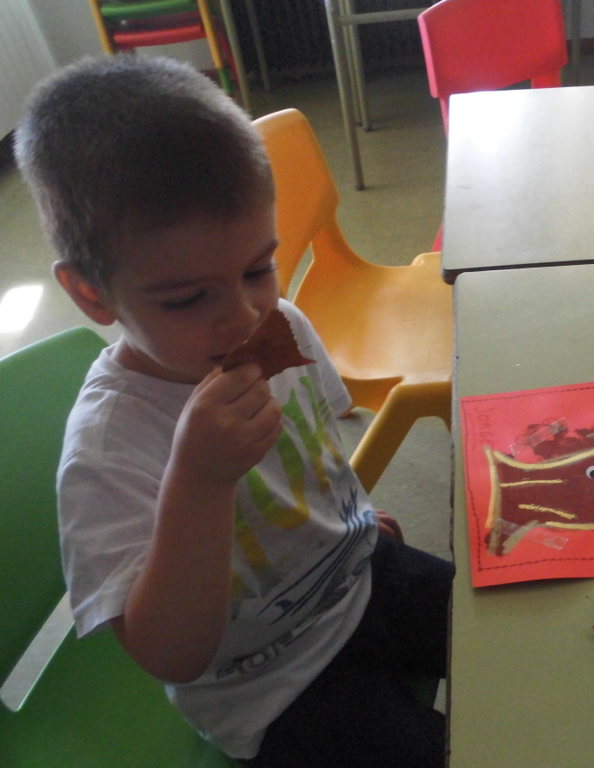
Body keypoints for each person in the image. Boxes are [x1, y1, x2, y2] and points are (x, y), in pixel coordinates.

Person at [14, 55, 453, 767]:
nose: (245, 315)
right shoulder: (109, 449)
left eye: (257, 268)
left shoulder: (284, 324)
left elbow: (318, 458)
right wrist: (198, 482)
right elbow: (170, 655)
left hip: (362, 575)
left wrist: (351, 520)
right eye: (188, 298)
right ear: (93, 294)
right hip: (271, 689)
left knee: (511, 633)